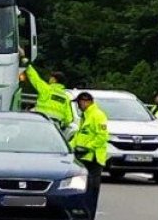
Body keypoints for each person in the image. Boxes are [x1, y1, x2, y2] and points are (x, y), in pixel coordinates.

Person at [69, 92, 109, 220]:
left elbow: (102, 137)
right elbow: (79, 136)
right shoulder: (85, 116)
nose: (78, 106)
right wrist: (68, 147)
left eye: (79, 103)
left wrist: (87, 148)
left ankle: (89, 216)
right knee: (81, 188)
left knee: (92, 190)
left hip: (94, 158)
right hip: (83, 157)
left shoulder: (97, 115)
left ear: (85, 101)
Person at [19, 50, 73, 130]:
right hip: (55, 128)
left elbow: (34, 78)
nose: (49, 79)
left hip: (41, 123)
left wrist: (25, 61)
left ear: (54, 80)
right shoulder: (66, 97)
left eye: (51, 78)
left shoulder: (46, 89)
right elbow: (69, 119)